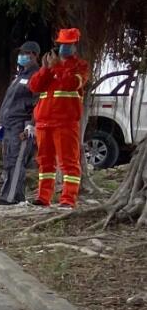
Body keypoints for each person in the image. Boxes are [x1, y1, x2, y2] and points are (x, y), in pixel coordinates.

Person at [29, 28, 89, 208]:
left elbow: (71, 84)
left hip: (65, 123)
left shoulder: (81, 66)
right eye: (62, 44)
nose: (64, 48)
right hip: (44, 122)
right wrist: (46, 69)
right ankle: (43, 197)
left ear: (75, 47)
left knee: (69, 163)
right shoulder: (49, 66)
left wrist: (57, 67)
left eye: (68, 45)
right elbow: (34, 86)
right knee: (44, 163)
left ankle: (68, 200)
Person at [0, 42, 40, 205]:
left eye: (25, 53)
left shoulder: (36, 76)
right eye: (21, 53)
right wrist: (2, 123)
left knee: (16, 160)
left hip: (21, 124)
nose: (22, 56)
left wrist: (30, 125)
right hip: (9, 125)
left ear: (34, 55)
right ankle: (10, 194)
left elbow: (37, 102)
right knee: (8, 160)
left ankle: (11, 197)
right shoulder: (19, 76)